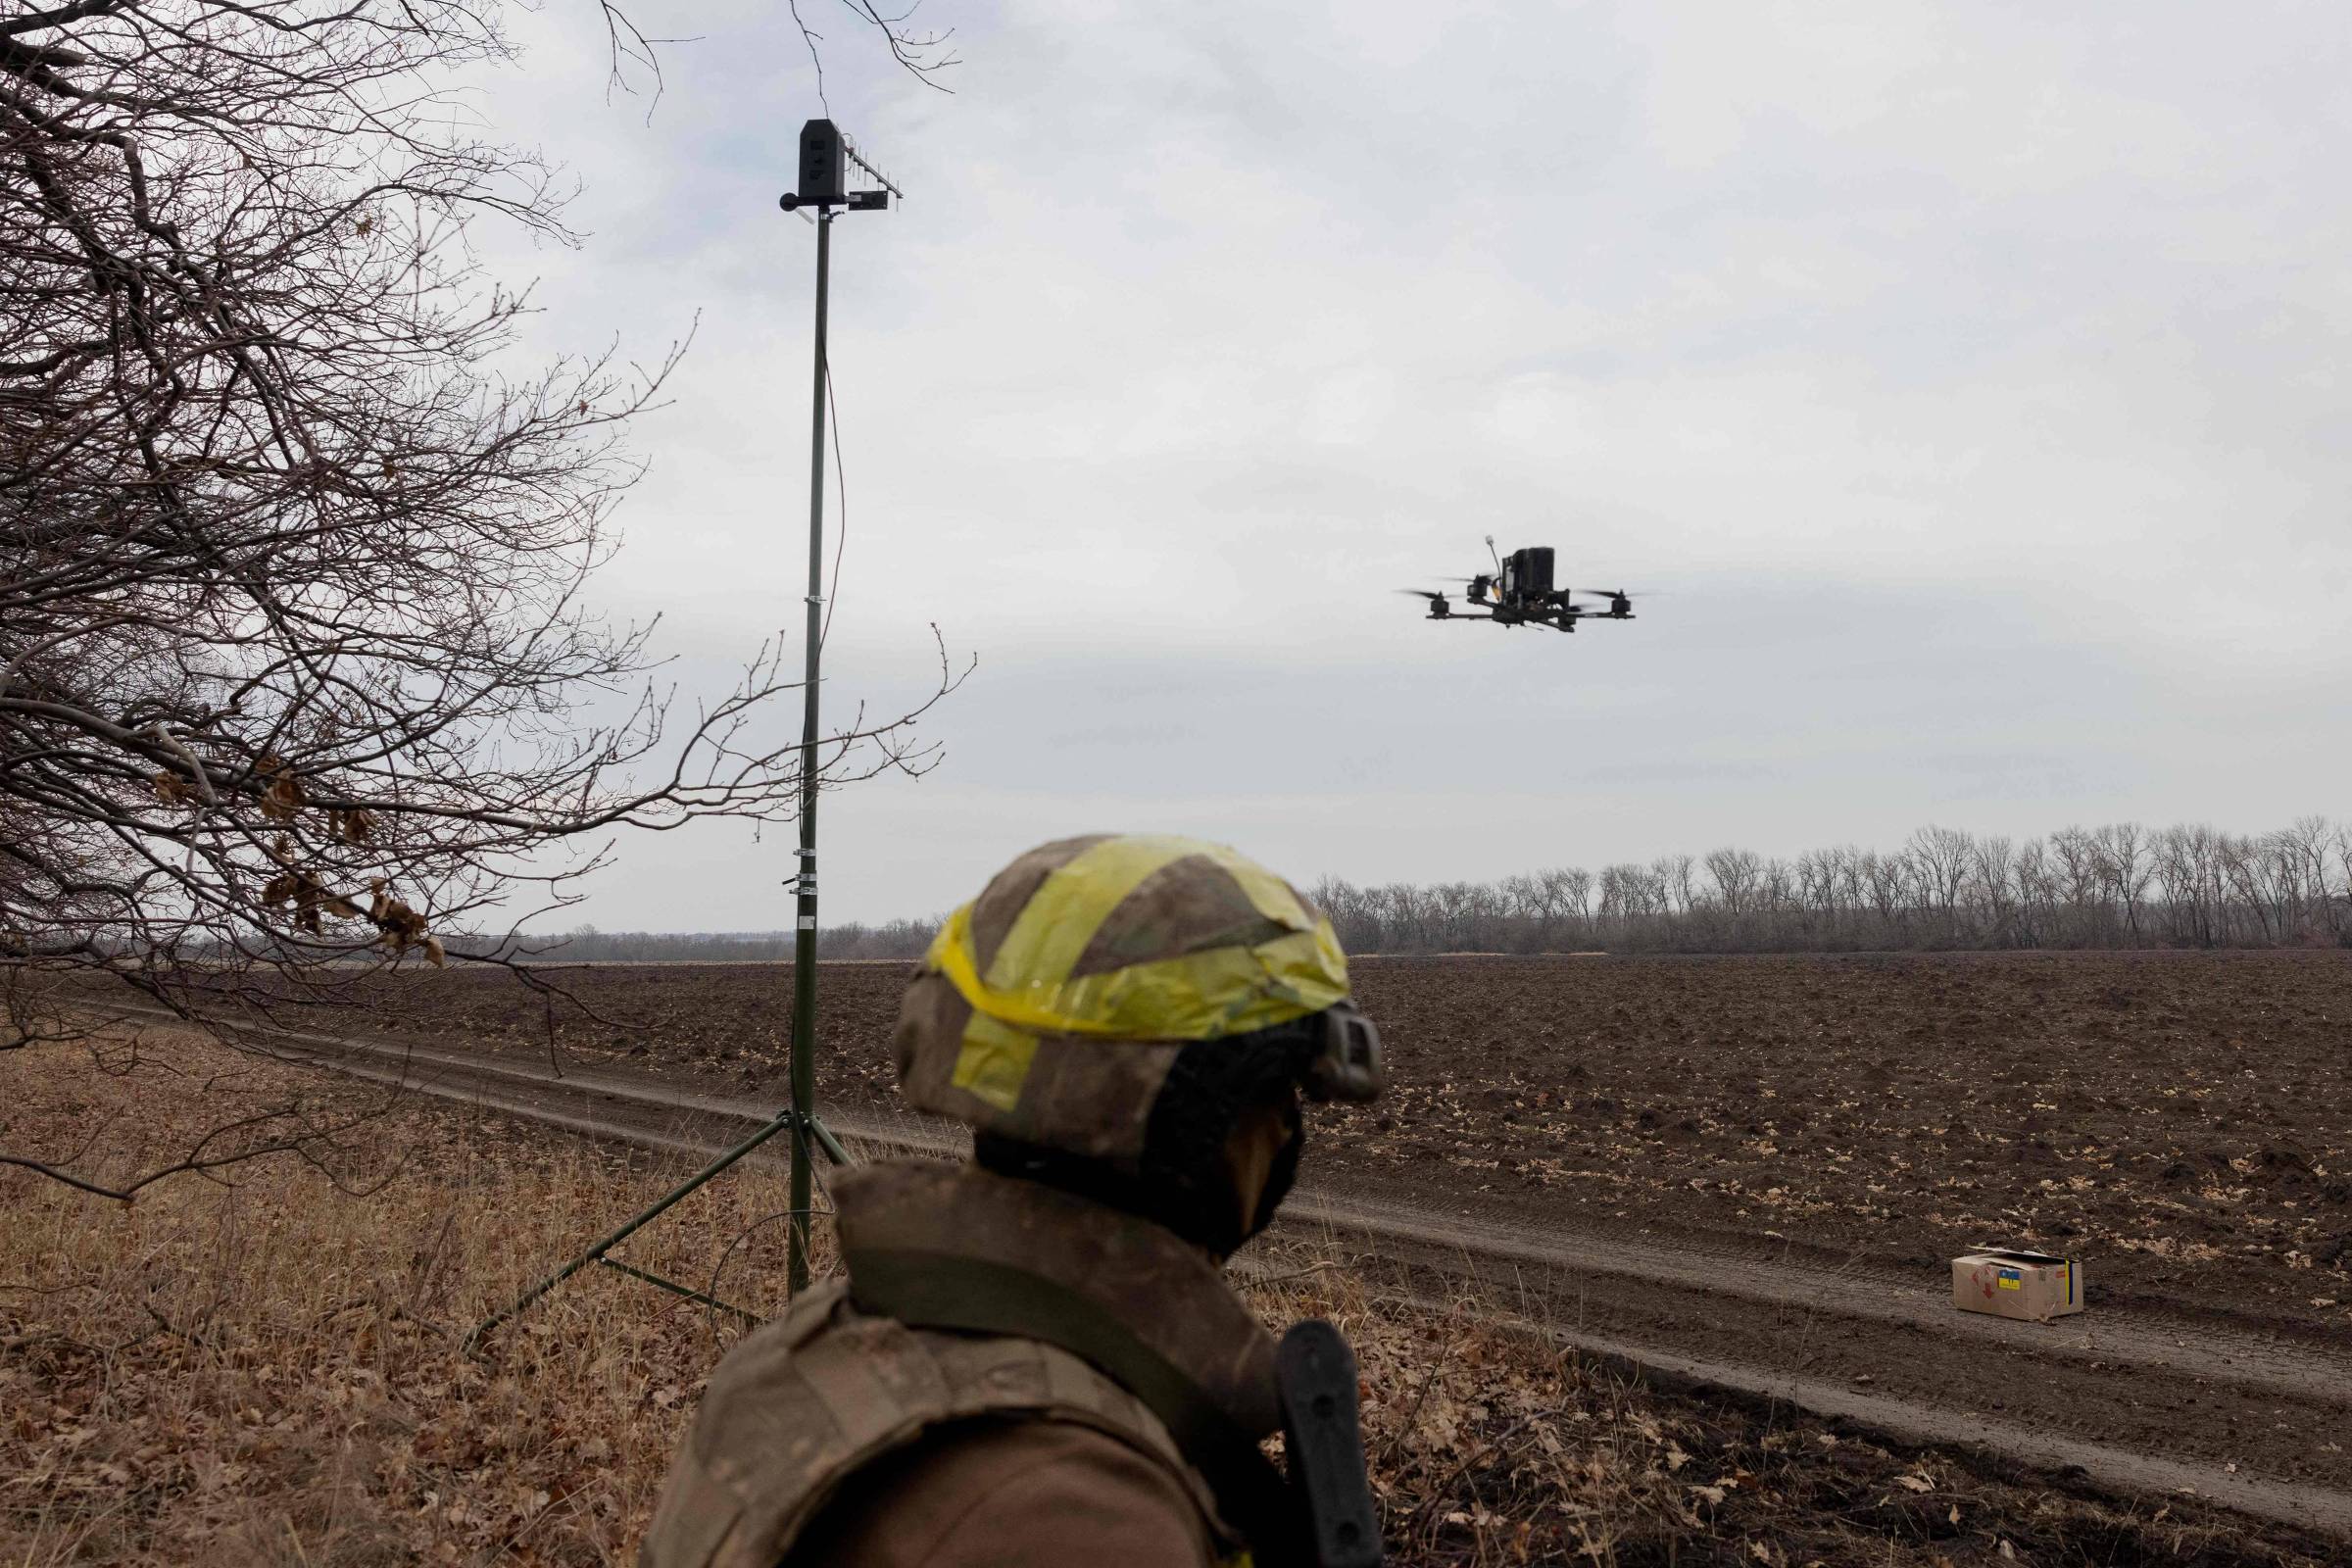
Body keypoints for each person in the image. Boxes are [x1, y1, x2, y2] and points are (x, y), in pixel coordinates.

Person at [640, 833, 1386, 1568]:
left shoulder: (813, 1348)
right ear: (1211, 1116)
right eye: (1281, 1094)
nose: (1287, 1126)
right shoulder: (1081, 1515)